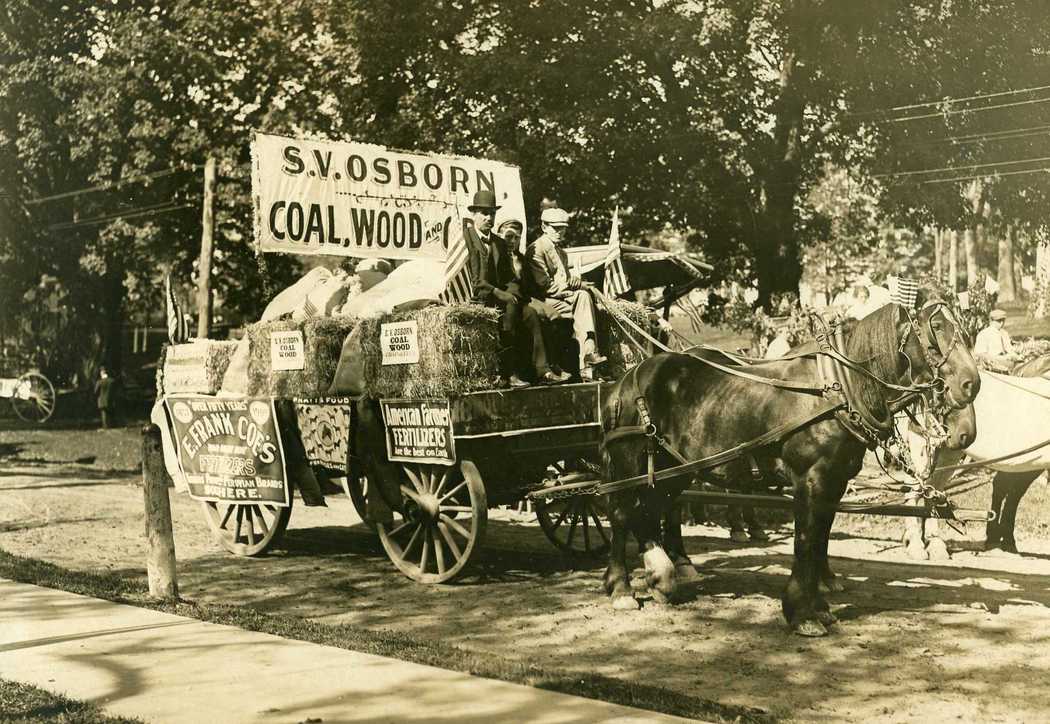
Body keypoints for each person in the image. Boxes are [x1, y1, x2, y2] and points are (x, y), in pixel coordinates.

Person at [464, 192, 567, 387]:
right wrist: (499, 293)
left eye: (492, 214)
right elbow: (474, 280)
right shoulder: (465, 238)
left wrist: (513, 293)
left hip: (498, 297)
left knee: (529, 313)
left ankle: (542, 370)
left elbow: (507, 277)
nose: (489, 218)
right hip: (476, 298)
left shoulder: (497, 242)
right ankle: (507, 373)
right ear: (474, 214)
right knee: (510, 311)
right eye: (484, 213)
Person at [526, 207, 607, 380]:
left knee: (589, 301)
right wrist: (576, 287)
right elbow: (546, 287)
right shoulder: (536, 250)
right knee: (584, 299)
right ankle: (588, 360)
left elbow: (566, 282)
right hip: (542, 301)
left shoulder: (561, 252)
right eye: (555, 228)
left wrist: (576, 282)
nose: (560, 232)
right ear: (544, 227)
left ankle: (588, 359)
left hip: (561, 299)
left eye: (563, 228)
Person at [973, 308, 1019, 372]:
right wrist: (1002, 358)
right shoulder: (984, 334)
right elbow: (981, 354)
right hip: (991, 366)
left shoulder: (1004, 333)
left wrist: (1014, 355)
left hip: (1006, 362)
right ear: (991, 320)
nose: (1001, 323)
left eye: (1003, 320)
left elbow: (1009, 348)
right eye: (999, 320)